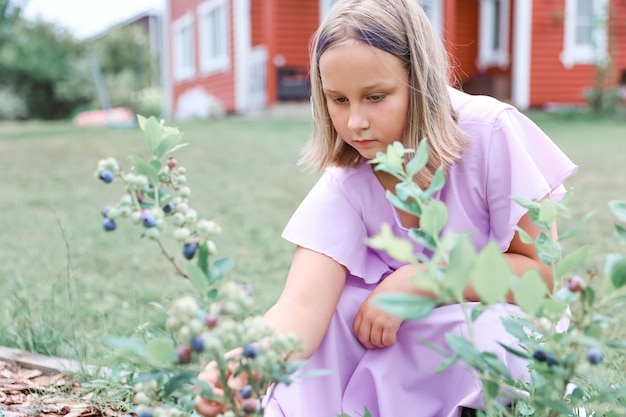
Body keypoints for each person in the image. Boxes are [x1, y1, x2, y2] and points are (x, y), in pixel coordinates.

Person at [196, 0, 577, 416]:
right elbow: (302, 306)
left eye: (375, 97)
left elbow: (542, 277)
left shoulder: (488, 132)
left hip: (485, 324)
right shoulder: (348, 180)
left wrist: (422, 280)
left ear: (420, 81)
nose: (355, 121)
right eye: (337, 100)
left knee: (492, 333)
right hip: (399, 342)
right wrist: (254, 357)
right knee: (337, 315)